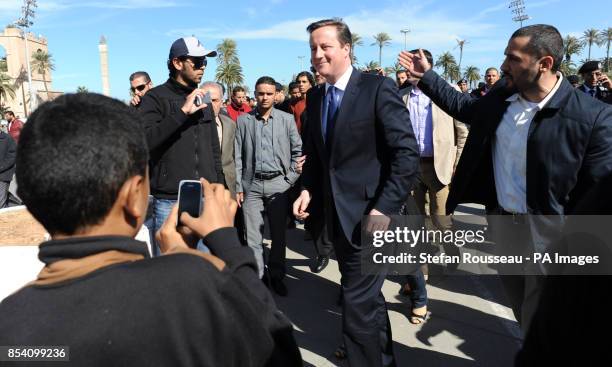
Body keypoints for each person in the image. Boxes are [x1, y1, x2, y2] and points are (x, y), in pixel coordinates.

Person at [0, 93, 302, 366]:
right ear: (134, 196)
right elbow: (280, 353)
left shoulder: (10, 327)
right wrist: (227, 246)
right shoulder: (197, 288)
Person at [399, 24, 612, 332]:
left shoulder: (592, 117)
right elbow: (466, 107)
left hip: (553, 239)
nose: (503, 66)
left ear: (545, 63)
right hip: (503, 228)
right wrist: (428, 75)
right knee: (522, 311)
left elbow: (598, 197)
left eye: (513, 59)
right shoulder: (502, 97)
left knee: (543, 320)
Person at [294, 18, 419, 366]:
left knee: (357, 303)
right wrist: (307, 190)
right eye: (313, 48)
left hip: (372, 218)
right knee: (366, 300)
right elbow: (319, 159)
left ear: (346, 49)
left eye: (325, 47)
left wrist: (384, 208)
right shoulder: (316, 96)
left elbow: (405, 153)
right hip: (337, 219)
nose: (318, 55)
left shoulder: (377, 88)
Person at [401, 49, 468, 324]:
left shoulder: (445, 93)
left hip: (440, 166)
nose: (411, 69)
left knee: (441, 219)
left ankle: (452, 251)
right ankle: (422, 270)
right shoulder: (402, 95)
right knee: (415, 223)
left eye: (417, 64)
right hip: (411, 168)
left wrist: (457, 163)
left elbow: (462, 131)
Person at [138, 36, 223, 256]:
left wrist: (219, 187)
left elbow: (213, 147)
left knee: (206, 267)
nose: (202, 67)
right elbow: (145, 141)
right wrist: (182, 113)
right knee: (169, 269)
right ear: (177, 63)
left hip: (205, 196)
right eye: (196, 61)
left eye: (205, 62)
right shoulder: (154, 99)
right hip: (169, 200)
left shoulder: (203, 97)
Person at [235, 76, 302, 296]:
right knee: (252, 236)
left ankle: (277, 274)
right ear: (255, 94)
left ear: (275, 95)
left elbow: (297, 152)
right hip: (251, 185)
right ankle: (259, 279)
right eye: (260, 93)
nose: (264, 97)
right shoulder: (244, 121)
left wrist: (289, 180)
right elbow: (237, 156)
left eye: (269, 93)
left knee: (278, 235)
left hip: (278, 185)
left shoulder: (286, 120)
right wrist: (238, 186)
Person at [200, 81, 237, 198]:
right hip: (201, 186)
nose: (210, 105)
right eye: (207, 100)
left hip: (227, 184)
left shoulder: (229, 124)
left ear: (221, 102)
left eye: (215, 100)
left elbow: (235, 156)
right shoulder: (189, 126)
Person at [0, 130, 16, 208]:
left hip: (3, 175)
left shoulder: (8, 139)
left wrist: (1, 167)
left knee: (0, 203)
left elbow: (12, 157)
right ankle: (16, 205)